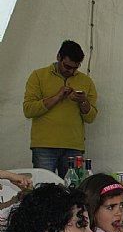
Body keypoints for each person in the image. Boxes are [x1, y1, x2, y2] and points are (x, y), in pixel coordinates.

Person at [23, 40, 98, 178]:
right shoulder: (38, 76)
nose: (71, 71)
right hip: (44, 145)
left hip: (74, 146)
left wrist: (83, 102)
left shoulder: (86, 81)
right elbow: (28, 110)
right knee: (44, 189)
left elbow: (91, 117)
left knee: (74, 191)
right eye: (67, 66)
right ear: (58, 57)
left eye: (76, 67)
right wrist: (57, 97)